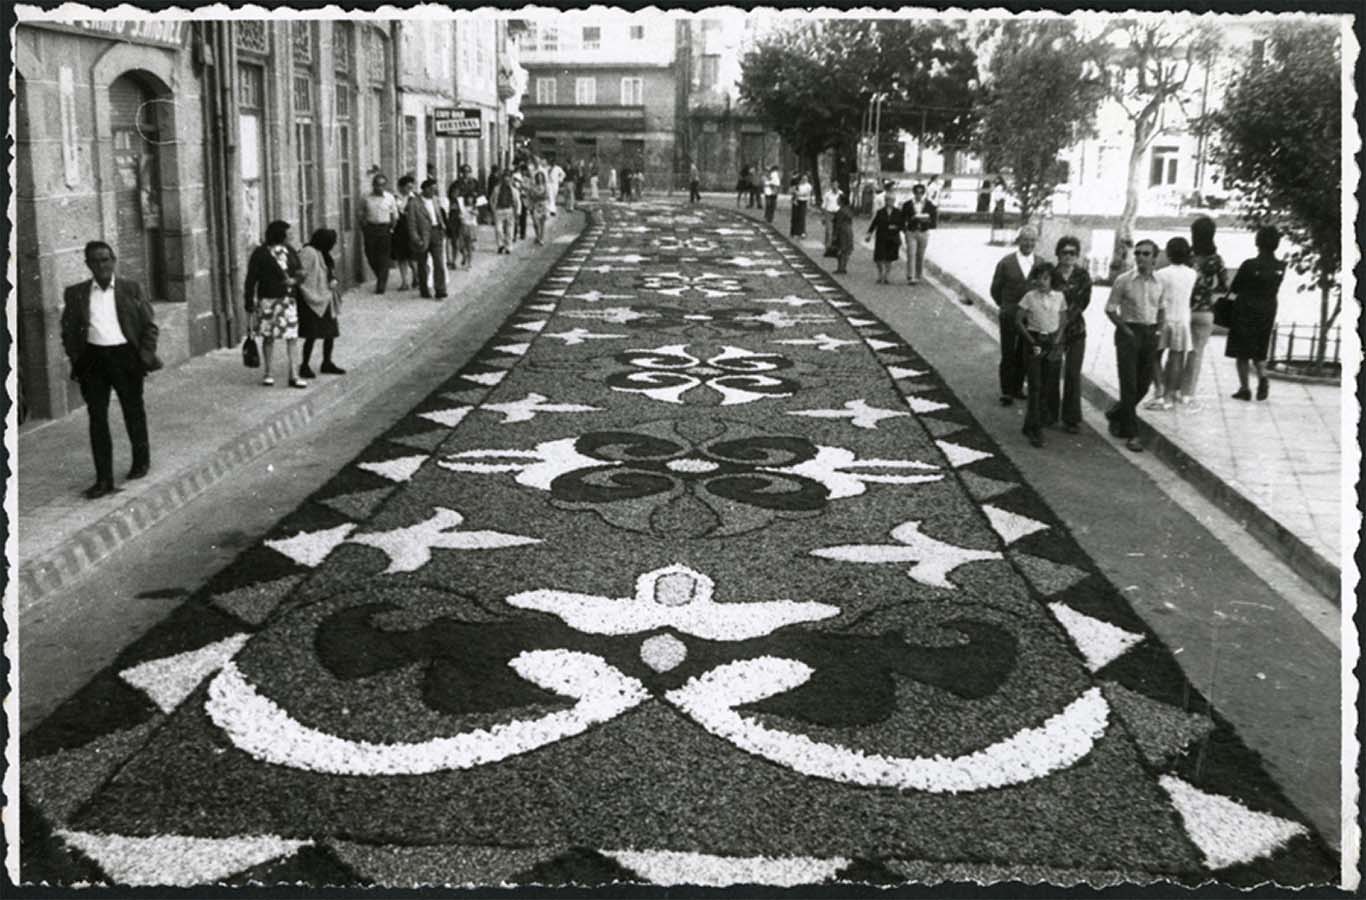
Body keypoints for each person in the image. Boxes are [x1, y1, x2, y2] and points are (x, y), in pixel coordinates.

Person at [60, 240, 161, 498]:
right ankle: (103, 479)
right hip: (94, 360)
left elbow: (149, 327)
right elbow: (69, 331)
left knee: (133, 410)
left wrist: (143, 357)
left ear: (113, 261)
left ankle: (141, 462)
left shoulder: (131, 288)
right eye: (95, 260)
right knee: (97, 418)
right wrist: (76, 358)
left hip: (125, 356)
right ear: (88, 265)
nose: (102, 265)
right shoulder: (76, 293)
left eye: (106, 259)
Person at [1105, 238, 1167, 451]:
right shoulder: (1124, 280)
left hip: (1150, 334)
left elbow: (1162, 308)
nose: (1140, 257)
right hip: (1129, 332)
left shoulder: (1160, 282)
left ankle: (1116, 413)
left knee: (1144, 382)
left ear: (1154, 258)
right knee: (1129, 384)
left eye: (1146, 253)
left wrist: (1159, 330)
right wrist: (1125, 329)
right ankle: (1132, 433)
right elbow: (1111, 308)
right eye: (1138, 253)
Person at [1226, 225, 1286, 402]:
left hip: (1245, 308)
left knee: (1242, 351)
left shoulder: (1249, 265)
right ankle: (1263, 376)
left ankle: (1245, 388)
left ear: (1257, 242)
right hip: (1268, 308)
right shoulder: (1281, 266)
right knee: (1260, 348)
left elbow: (1235, 287)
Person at [244, 219, 306, 389]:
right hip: (268, 301)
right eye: (288, 233)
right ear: (280, 234)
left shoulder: (291, 251)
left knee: (292, 338)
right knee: (268, 338)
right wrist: (249, 301)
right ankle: (268, 373)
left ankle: (294, 374)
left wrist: (295, 280)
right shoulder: (261, 253)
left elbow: (301, 273)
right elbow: (251, 279)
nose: (291, 235)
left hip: (288, 300)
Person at [1015, 261, 1065, 448]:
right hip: (1034, 341)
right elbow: (1018, 320)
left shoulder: (1059, 297)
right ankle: (1035, 429)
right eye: (1039, 278)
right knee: (1035, 385)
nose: (1042, 282)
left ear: (1052, 279)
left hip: (1051, 342)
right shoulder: (1029, 297)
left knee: (1047, 384)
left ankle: (1031, 423)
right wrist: (1030, 340)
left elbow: (1063, 319)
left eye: (1046, 278)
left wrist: (1057, 339)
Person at [1182, 216, 1229, 409]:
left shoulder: (1186, 257)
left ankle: (1171, 389)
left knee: (1177, 352)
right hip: (1205, 311)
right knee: (1196, 353)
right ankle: (1188, 393)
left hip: (1183, 309)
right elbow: (1224, 285)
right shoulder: (1216, 260)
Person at [989, 225, 1038, 405]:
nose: (1028, 244)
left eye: (1032, 240)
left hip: (1031, 318)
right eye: (1025, 239)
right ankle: (1007, 391)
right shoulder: (1006, 263)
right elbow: (995, 289)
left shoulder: (1040, 263)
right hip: (1010, 314)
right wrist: (1005, 307)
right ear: (1019, 241)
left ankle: (1018, 387)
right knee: (1008, 352)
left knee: (1024, 352)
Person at [1146, 237, 1197, 411]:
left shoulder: (1160, 274)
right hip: (1182, 318)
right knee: (1176, 358)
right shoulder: (1192, 274)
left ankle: (1159, 391)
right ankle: (1168, 396)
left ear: (1168, 253)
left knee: (1153, 355)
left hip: (1164, 318)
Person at [1050, 235, 1092, 433]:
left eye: (1073, 253)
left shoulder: (1083, 276)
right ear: (1058, 254)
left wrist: (1066, 320)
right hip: (1052, 330)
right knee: (1051, 372)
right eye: (1065, 252)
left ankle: (1071, 419)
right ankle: (1049, 414)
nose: (1068, 256)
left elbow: (1083, 302)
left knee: (1073, 374)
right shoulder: (1050, 275)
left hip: (1076, 331)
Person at [297, 228, 345, 380]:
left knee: (330, 333)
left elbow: (328, 271)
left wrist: (332, 280)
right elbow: (301, 274)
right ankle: (304, 365)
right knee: (311, 335)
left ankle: (327, 362)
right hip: (312, 298)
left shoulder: (324, 253)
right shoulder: (309, 252)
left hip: (326, 298)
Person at [407, 178, 449, 299]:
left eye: (435, 189)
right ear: (424, 189)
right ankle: (424, 289)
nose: (433, 191)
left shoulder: (435, 200)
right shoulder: (414, 203)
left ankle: (440, 289)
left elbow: (438, 215)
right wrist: (416, 238)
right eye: (431, 189)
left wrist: (442, 228)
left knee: (439, 262)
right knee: (422, 264)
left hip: (436, 233)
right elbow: (411, 224)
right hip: (423, 235)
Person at [360, 173, 397, 293]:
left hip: (384, 228)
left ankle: (381, 284)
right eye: (376, 185)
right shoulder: (366, 197)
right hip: (370, 228)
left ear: (385, 186)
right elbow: (361, 212)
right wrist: (363, 226)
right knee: (370, 254)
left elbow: (394, 215)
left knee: (383, 256)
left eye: (381, 185)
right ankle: (380, 276)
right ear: (373, 185)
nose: (379, 187)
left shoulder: (390, 198)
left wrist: (391, 228)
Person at [900, 182, 937, 284]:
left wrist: (926, 221)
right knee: (911, 254)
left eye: (921, 193)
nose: (919, 195)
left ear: (923, 193)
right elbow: (902, 219)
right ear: (914, 193)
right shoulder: (907, 205)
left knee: (920, 255)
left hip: (923, 232)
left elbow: (934, 221)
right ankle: (910, 276)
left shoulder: (929, 205)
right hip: (911, 232)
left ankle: (918, 275)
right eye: (917, 193)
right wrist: (905, 229)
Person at [865, 188, 903, 284]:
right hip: (881, 237)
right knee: (879, 258)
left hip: (892, 237)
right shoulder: (880, 212)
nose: (889, 202)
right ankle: (880, 273)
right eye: (888, 200)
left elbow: (902, 225)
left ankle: (886, 276)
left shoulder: (898, 212)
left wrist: (896, 227)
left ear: (894, 201)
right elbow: (874, 223)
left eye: (891, 200)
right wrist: (869, 234)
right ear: (885, 201)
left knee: (889, 259)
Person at [390, 175, 417, 290]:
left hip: (411, 229)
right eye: (407, 187)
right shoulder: (394, 198)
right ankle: (404, 282)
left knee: (413, 257)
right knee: (401, 257)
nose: (409, 190)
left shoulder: (414, 198)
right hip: (399, 230)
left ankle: (416, 277)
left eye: (411, 187)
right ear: (400, 187)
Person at [454, 165, 482, 269]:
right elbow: (452, 195)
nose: (466, 174)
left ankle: (469, 261)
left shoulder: (474, 182)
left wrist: (476, 205)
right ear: (461, 173)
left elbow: (480, 195)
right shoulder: (457, 183)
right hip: (461, 213)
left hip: (471, 219)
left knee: (469, 244)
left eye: (468, 172)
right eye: (464, 172)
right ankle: (464, 255)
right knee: (459, 244)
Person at [492, 168, 520, 254]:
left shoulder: (514, 190)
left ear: (511, 178)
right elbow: (492, 199)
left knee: (509, 230)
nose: (506, 179)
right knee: (498, 229)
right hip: (499, 210)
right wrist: (493, 209)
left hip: (509, 210)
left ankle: (509, 246)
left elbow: (517, 201)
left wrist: (518, 212)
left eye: (508, 177)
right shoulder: (497, 189)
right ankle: (500, 245)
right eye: (505, 177)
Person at [832, 193, 855, 275]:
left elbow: (838, 223)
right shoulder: (848, 210)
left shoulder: (840, 211)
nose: (837, 200)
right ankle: (844, 267)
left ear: (841, 201)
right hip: (849, 230)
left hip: (842, 231)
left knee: (841, 249)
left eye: (838, 199)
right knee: (847, 250)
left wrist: (834, 235)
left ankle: (840, 268)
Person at [528, 169, 550, 245]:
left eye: (541, 177)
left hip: (543, 205)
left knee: (542, 223)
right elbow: (531, 196)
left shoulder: (546, 186)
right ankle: (537, 236)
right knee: (536, 223)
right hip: (535, 206)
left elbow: (547, 196)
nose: (540, 179)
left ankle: (541, 238)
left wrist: (537, 196)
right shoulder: (533, 186)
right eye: (538, 177)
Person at [821, 181, 843, 255]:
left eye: (836, 185)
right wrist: (823, 216)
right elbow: (824, 205)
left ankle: (836, 248)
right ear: (831, 186)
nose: (834, 187)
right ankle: (828, 247)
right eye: (833, 185)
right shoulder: (827, 194)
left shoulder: (841, 194)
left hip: (838, 214)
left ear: (838, 185)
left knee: (837, 231)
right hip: (829, 213)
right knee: (829, 231)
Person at [790, 173, 812, 238]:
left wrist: (798, 193)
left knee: (801, 217)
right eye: (803, 178)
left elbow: (806, 194)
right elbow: (792, 191)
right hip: (796, 202)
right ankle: (794, 232)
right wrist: (795, 194)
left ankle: (802, 232)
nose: (804, 179)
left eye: (806, 178)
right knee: (795, 217)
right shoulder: (798, 184)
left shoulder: (808, 186)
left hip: (803, 202)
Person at [989, 179, 1008, 244]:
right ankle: (999, 238)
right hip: (1001, 205)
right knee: (1000, 222)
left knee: (997, 221)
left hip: (999, 204)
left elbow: (997, 198)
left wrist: (997, 204)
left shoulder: (998, 188)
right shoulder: (1003, 188)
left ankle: (997, 239)